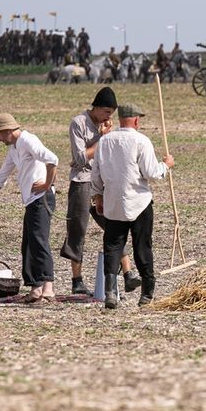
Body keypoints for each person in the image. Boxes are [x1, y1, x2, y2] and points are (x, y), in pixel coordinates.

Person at [91, 103, 174, 309]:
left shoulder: (105, 141)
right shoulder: (141, 140)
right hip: (139, 202)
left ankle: (110, 292)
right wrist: (167, 165)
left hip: (113, 202)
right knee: (142, 246)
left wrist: (98, 196)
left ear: (120, 119)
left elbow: (96, 173)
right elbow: (152, 173)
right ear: (136, 120)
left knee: (112, 246)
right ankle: (147, 293)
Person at [59, 87, 136, 296]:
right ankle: (77, 280)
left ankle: (128, 273)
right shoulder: (78, 123)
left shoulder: (107, 126)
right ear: (95, 108)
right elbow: (81, 158)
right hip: (82, 181)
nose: (108, 116)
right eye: (105, 112)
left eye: (111, 113)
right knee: (77, 229)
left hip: (102, 182)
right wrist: (102, 139)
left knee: (113, 225)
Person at [0, 113, 59, 303]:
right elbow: (2, 176)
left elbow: (52, 159)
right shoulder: (14, 149)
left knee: (40, 242)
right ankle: (35, 287)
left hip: (41, 198)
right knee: (29, 244)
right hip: (31, 201)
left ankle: (47, 287)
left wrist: (47, 184)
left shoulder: (28, 141)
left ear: (7, 131)